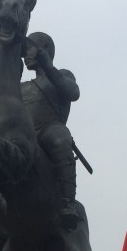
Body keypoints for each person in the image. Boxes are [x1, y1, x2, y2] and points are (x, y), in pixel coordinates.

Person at [21, 32, 82, 229]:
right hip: (25, 135)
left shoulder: (62, 75)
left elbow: (73, 93)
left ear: (44, 50)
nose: (24, 55)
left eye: (28, 49)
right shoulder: (21, 86)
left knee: (60, 138)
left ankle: (67, 202)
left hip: (49, 129)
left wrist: (48, 66)